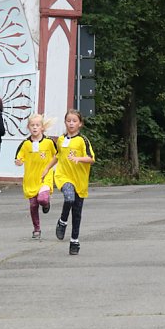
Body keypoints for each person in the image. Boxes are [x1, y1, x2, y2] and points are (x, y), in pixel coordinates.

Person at [42, 109, 96, 255]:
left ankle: (74, 241)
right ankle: (63, 221)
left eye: (74, 121)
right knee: (69, 197)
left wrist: (79, 159)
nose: (71, 123)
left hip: (80, 180)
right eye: (68, 121)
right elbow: (57, 156)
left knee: (77, 212)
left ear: (80, 124)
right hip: (63, 176)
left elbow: (91, 159)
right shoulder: (60, 139)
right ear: (65, 122)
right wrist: (47, 168)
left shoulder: (83, 140)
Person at [14, 114, 57, 239]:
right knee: (33, 205)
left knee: (42, 199)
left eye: (37, 125)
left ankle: (46, 203)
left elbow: (58, 155)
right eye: (32, 125)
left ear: (42, 128)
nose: (35, 128)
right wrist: (19, 162)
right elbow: (19, 158)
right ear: (28, 127)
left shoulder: (49, 142)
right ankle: (36, 228)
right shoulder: (25, 144)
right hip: (31, 179)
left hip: (45, 176)